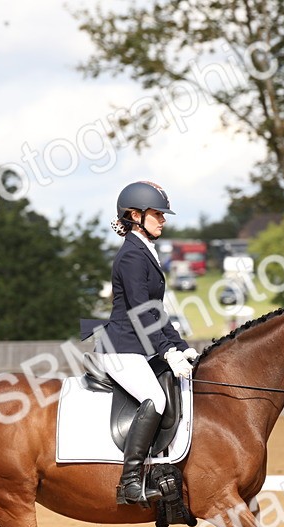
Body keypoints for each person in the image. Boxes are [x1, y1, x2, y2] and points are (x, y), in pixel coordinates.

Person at [97, 181, 198, 505]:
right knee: (155, 398)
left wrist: (180, 345)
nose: (163, 220)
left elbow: (157, 312)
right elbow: (141, 310)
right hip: (121, 348)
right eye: (157, 214)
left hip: (138, 347)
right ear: (134, 215)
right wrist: (166, 351)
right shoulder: (131, 256)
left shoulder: (144, 251)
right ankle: (129, 482)